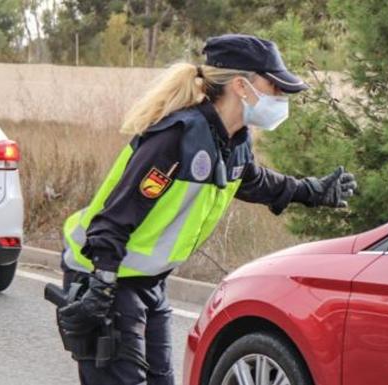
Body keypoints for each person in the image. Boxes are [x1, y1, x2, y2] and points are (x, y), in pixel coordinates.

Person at [54, 34, 357, 385]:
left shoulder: (232, 142)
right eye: (273, 86)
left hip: (147, 281)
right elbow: (114, 218)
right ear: (242, 86)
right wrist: (102, 285)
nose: (281, 96)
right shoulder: (175, 139)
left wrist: (313, 191)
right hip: (104, 274)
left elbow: (257, 182)